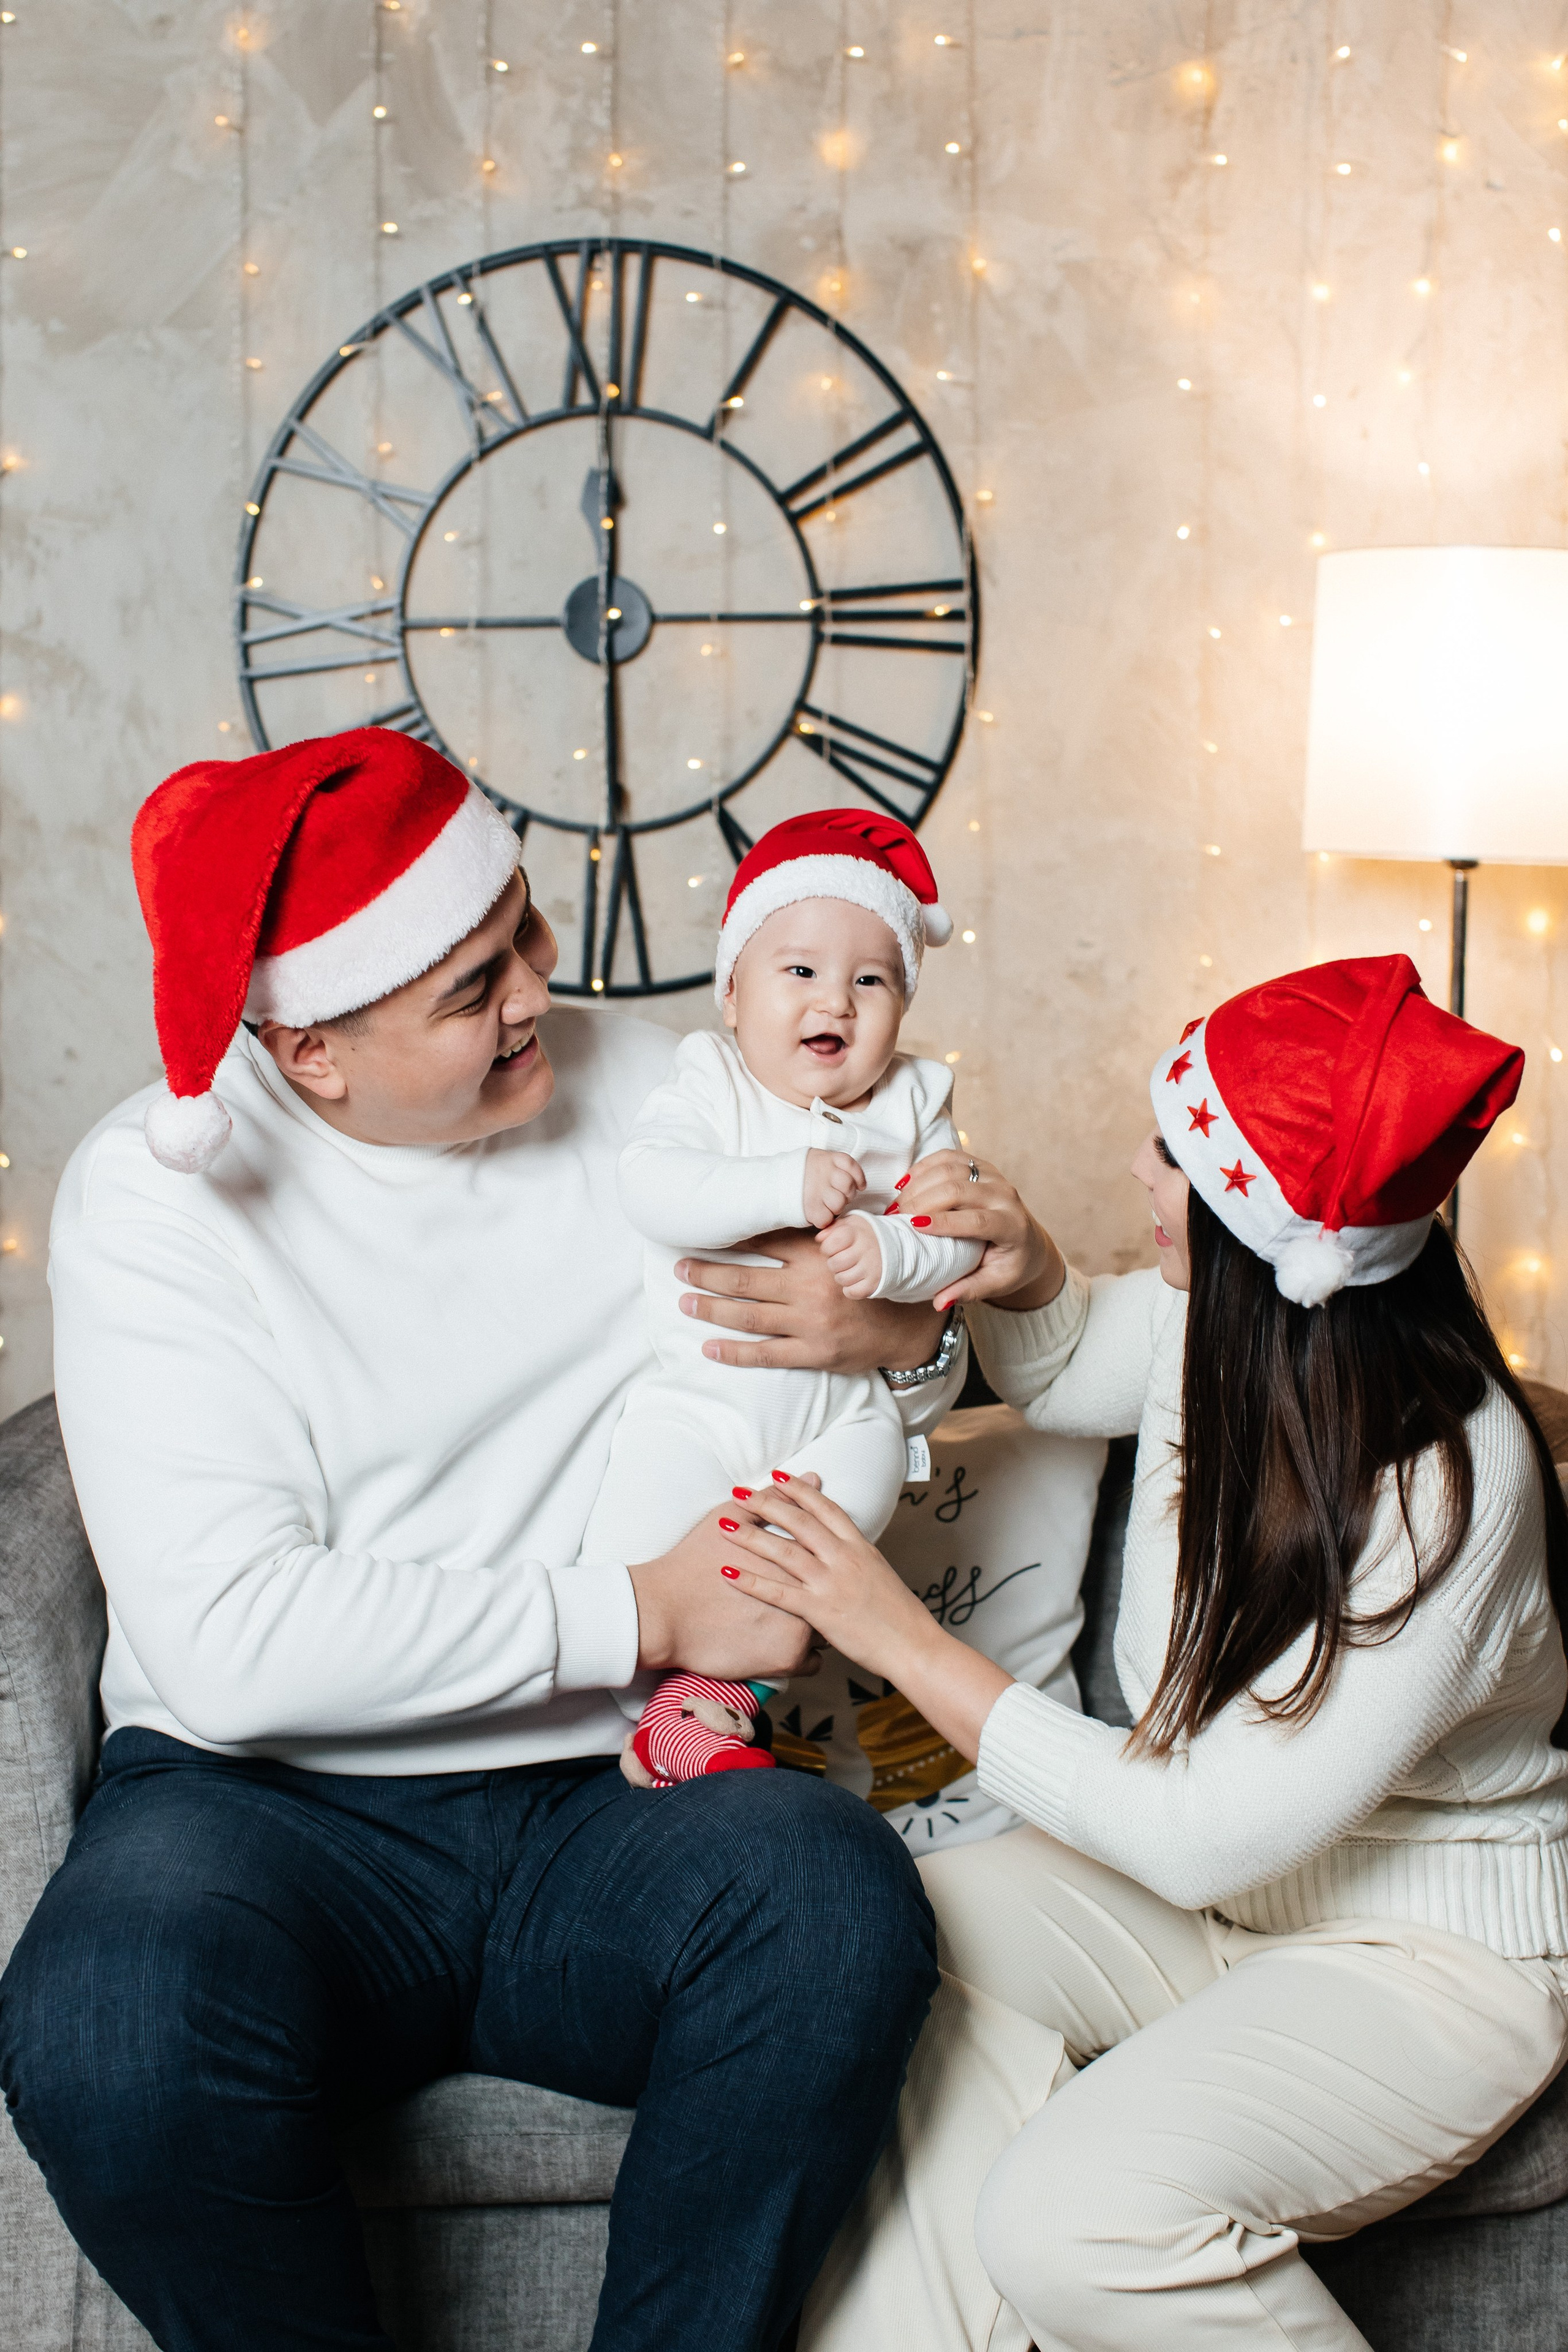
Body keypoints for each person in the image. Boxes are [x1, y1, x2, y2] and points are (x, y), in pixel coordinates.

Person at [0, 728, 957, 2352]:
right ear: (311, 1049)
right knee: (105, 2028)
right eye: (469, 984)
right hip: (265, 1819)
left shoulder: (666, 1100)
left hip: (602, 1799)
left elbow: (919, 1297)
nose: (540, 987)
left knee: (834, 1908)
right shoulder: (155, 1203)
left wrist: (907, 1337)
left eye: (521, 922)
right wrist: (648, 1609)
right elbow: (236, 1646)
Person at [718, 954, 1568, 2352]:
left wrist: (898, 1636)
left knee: (1069, 2222)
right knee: (883, 1928)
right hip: (1235, 1922)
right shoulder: (1222, 1325)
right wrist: (1028, 1262)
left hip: (1430, 1961)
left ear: (1259, 1227)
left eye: (1172, 1158)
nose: (1134, 1167)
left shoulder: (1445, 1477)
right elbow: (1058, 1368)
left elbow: (1196, 1835)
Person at [583, 808, 980, 1787]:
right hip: (702, 1407)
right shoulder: (709, 1080)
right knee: (632, 1550)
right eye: (798, 971)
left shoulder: (916, 1102)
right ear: (731, 993)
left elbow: (959, 1237)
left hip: (840, 1420)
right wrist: (779, 1188)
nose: (834, 1001)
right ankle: (642, 1721)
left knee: (849, 1512)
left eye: (870, 979)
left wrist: (891, 1253)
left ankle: (705, 1713)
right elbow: (653, 1185)